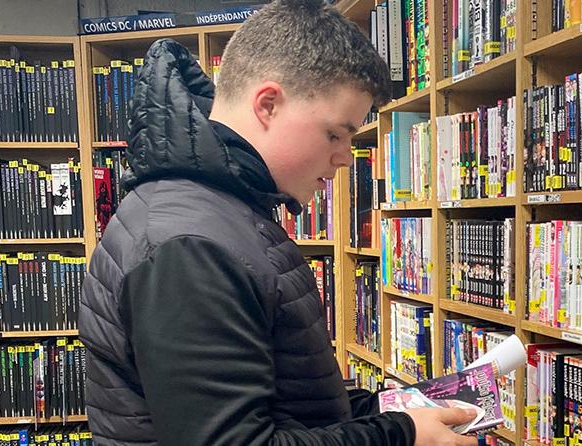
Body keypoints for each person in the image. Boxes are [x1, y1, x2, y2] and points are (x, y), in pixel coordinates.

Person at [79, 1, 478, 445]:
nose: (345, 157)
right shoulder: (189, 243)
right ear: (268, 104)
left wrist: (389, 409)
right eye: (334, 133)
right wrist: (399, 436)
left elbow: (283, 400)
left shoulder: (221, 213)